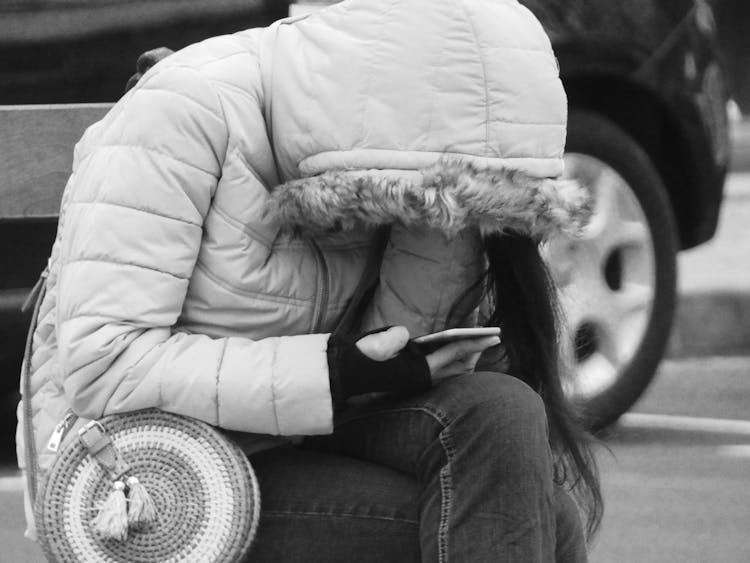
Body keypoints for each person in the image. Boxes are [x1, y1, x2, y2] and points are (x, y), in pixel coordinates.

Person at [17, 0, 602, 560]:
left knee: (505, 413)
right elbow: (104, 366)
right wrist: (336, 371)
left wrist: (434, 230)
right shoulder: (180, 113)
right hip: (151, 464)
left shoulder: (416, 160)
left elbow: (386, 348)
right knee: (524, 523)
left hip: (297, 423)